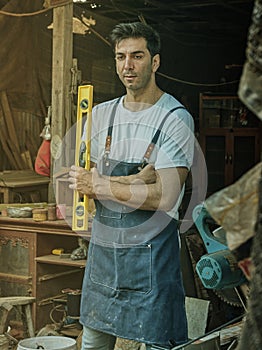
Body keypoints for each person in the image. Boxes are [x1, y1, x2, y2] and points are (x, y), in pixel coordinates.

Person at [69, 22, 195, 350]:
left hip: (151, 261)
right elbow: (80, 179)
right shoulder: (100, 115)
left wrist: (101, 185)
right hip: (105, 259)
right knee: (94, 341)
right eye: (121, 56)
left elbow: (165, 196)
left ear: (155, 62)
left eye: (137, 56)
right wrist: (136, 179)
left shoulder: (174, 118)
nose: (128, 65)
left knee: (158, 342)